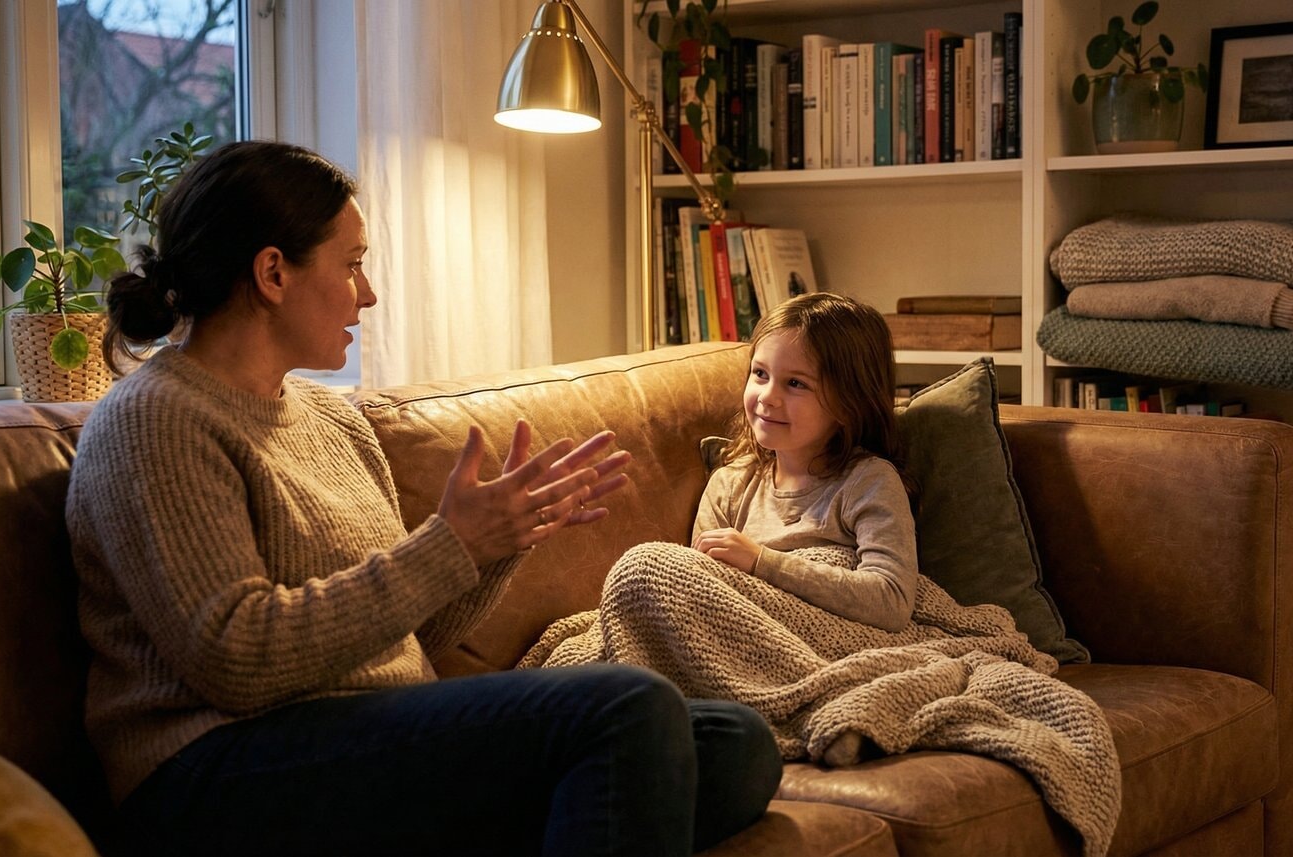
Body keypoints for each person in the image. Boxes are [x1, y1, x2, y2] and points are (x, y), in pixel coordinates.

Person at [66, 139, 780, 857]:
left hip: (367, 738)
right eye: (351, 264)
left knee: (735, 744)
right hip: (214, 770)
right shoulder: (156, 418)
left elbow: (407, 640)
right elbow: (235, 657)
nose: (368, 292)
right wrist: (453, 544)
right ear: (273, 272)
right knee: (630, 708)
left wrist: (497, 541)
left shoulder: (334, 418)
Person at [692, 292, 917, 631]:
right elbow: (696, 591)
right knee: (649, 567)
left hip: (827, 644)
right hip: (740, 635)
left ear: (848, 402)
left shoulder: (868, 481)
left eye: (795, 383)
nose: (768, 397)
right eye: (760, 374)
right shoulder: (730, 484)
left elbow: (891, 601)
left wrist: (761, 562)